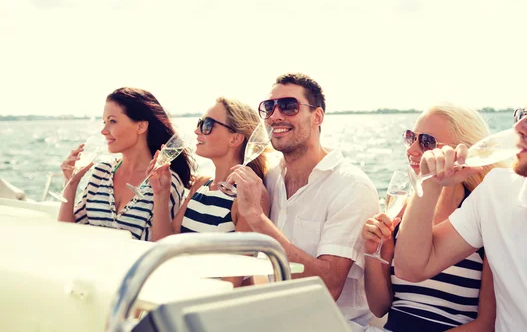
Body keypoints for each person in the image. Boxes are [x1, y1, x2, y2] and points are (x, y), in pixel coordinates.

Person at [394, 56, 527, 331]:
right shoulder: (497, 191)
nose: (518, 128)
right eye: (522, 115)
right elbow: (413, 268)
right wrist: (430, 184)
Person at [225, 73, 380, 330]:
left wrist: (256, 218)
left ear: (317, 116)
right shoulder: (272, 178)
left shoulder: (352, 186)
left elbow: (328, 286)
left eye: (288, 106)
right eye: (268, 107)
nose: (275, 116)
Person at [361, 103, 497, 331]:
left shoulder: (482, 216)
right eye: (410, 137)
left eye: (426, 141)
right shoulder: (401, 213)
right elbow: (379, 307)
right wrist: (371, 252)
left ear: (461, 151)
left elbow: (487, 324)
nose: (412, 150)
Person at [149, 97, 270, 286]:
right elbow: (165, 245)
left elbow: (231, 280)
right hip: (183, 292)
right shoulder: (201, 184)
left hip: (214, 305)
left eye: (207, 125)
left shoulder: (250, 194)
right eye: (200, 123)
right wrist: (160, 194)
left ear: (235, 138)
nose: (197, 131)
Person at [57, 87, 193, 241]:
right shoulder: (101, 172)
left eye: (112, 121)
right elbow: (67, 233)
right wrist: (71, 183)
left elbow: (160, 246)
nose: (104, 130)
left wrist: (160, 194)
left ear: (140, 126)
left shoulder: (165, 181)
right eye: (104, 122)